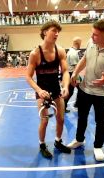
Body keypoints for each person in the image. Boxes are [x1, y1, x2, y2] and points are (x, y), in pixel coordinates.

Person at [67, 19, 104, 161]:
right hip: (85, 88)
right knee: (82, 117)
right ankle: (79, 139)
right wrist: (75, 73)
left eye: (95, 35)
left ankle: (98, 146)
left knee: (101, 121)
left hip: (102, 92)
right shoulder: (91, 42)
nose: (92, 37)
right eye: (92, 34)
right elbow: (85, 59)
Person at [26, 20, 72, 159]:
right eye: (54, 30)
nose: (57, 33)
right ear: (45, 32)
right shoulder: (35, 53)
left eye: (58, 31)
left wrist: (65, 86)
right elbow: (28, 76)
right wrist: (39, 91)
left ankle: (58, 142)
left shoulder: (60, 51)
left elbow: (65, 71)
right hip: (42, 91)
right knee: (45, 120)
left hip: (56, 89)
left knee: (61, 119)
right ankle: (42, 145)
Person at [64, 36, 82, 113]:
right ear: (78, 43)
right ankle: (63, 106)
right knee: (71, 91)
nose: (81, 44)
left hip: (72, 73)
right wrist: (76, 79)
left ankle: (77, 104)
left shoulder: (71, 51)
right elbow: (76, 68)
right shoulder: (73, 53)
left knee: (80, 89)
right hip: (72, 74)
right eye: (80, 43)